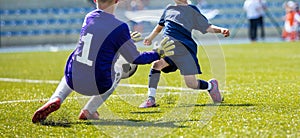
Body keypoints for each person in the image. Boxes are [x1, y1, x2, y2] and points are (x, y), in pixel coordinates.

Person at [32, 0, 175, 123]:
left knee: (75, 61)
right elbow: (135, 58)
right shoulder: (120, 27)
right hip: (98, 85)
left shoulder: (88, 17)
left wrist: (125, 40)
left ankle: (57, 98)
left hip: (73, 80)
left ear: (95, 0)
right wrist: (157, 53)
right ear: (117, 1)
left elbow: (101, 42)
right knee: (119, 69)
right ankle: (89, 110)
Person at [138, 0, 230, 108]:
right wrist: (150, 37)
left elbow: (206, 27)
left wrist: (220, 30)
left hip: (185, 50)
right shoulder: (169, 9)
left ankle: (211, 86)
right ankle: (150, 99)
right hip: (170, 48)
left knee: (191, 83)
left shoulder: (192, 10)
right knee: (157, 65)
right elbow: (159, 26)